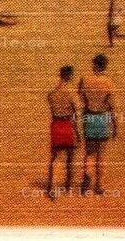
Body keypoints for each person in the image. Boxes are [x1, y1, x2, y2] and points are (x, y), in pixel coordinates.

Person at [77, 54, 118, 195]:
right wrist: (115, 125)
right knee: (101, 155)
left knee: (89, 153)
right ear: (105, 66)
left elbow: (80, 95)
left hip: (89, 117)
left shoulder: (85, 80)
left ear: (94, 64)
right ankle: (99, 185)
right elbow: (111, 106)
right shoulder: (108, 82)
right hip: (102, 117)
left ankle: (85, 179)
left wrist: (87, 104)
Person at [47, 65, 79, 198]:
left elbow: (51, 107)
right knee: (70, 157)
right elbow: (76, 113)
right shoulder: (72, 93)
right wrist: (77, 133)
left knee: (54, 157)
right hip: (68, 125)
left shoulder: (52, 94)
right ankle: (67, 184)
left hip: (56, 124)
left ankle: (51, 186)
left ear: (60, 75)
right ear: (70, 76)